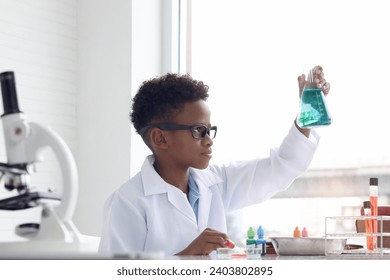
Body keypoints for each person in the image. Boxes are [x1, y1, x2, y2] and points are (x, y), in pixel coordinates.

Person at [98, 67, 330, 256]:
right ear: (160, 138)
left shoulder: (216, 183)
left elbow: (279, 168)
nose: (209, 141)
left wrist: (306, 115)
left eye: (210, 130)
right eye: (199, 130)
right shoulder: (127, 203)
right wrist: (187, 257)